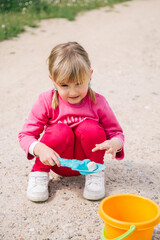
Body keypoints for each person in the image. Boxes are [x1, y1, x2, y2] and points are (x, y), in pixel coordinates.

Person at [18, 42, 124, 202]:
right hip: (57, 161)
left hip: (87, 164)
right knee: (60, 130)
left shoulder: (98, 102)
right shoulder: (46, 101)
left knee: (90, 127)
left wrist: (114, 144)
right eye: (64, 85)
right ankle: (39, 172)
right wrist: (40, 149)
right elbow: (26, 135)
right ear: (53, 81)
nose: (73, 92)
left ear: (90, 75)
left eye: (79, 83)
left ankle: (95, 173)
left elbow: (116, 133)